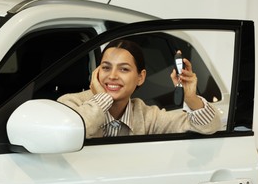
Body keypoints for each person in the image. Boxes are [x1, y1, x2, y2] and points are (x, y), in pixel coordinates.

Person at [57, 39, 222, 138]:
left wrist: (190, 98)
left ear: (140, 77)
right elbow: (69, 133)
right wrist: (102, 99)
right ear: (96, 72)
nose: (112, 76)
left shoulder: (146, 116)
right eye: (106, 67)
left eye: (124, 69)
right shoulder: (70, 103)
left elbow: (208, 126)